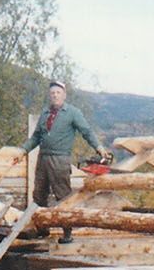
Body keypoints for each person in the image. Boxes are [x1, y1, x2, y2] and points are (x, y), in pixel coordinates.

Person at [14, 81, 108, 242]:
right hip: (42, 159)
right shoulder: (45, 114)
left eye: (58, 92)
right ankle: (42, 229)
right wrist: (23, 150)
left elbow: (86, 131)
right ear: (49, 96)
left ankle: (67, 233)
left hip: (60, 159)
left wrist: (98, 147)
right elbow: (36, 137)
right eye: (52, 93)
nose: (55, 95)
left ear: (64, 95)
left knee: (63, 195)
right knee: (39, 195)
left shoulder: (72, 113)